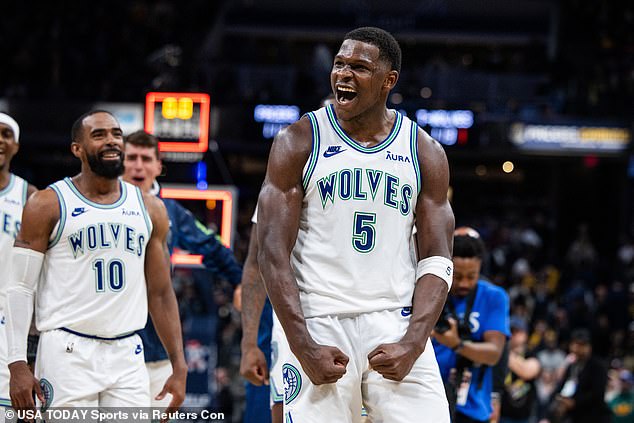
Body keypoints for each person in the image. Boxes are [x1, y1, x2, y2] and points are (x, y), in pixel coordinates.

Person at [257, 27, 454, 422]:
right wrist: (301, 343)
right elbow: (272, 253)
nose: (343, 75)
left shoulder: (424, 151)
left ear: (388, 80)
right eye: (339, 64)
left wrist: (414, 342)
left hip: (394, 321)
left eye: (359, 67)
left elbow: (437, 257)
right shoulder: (299, 141)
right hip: (317, 319)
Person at [5, 111, 187, 417]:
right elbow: (20, 287)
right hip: (67, 352)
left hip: (127, 352)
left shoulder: (150, 208)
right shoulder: (47, 203)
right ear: (77, 148)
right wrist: (17, 363)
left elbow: (161, 292)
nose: (111, 140)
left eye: (116, 134)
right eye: (99, 135)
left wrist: (178, 363)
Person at [122, 129, 243, 408]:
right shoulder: (103, 207)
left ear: (158, 166)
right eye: (131, 158)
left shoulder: (172, 212)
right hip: (113, 341)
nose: (138, 166)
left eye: (145, 158)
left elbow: (212, 247)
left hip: (158, 344)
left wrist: (239, 282)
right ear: (121, 163)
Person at [432, 228, 510, 423]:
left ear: (480, 268)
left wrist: (456, 344)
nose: (464, 283)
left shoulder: (494, 296)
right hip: (430, 396)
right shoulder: (432, 291)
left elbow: (494, 353)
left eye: (471, 276)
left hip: (472, 404)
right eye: (457, 276)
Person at [0, 113, 37, 422]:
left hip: (7, 323)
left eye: (5, 134)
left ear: (16, 145)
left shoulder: (31, 198)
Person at [544, 328, 610, 423]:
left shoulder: (597, 366)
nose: (578, 348)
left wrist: (575, 402)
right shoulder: (572, 366)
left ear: (589, 347)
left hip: (594, 417)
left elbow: (598, 394)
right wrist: (559, 399)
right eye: (576, 344)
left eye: (582, 345)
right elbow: (562, 386)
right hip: (576, 416)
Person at [500, 317, 541, 423]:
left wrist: (504, 352)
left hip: (524, 417)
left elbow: (526, 372)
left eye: (518, 331)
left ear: (526, 334)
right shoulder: (499, 354)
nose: (513, 335)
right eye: (511, 331)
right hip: (502, 414)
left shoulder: (532, 354)